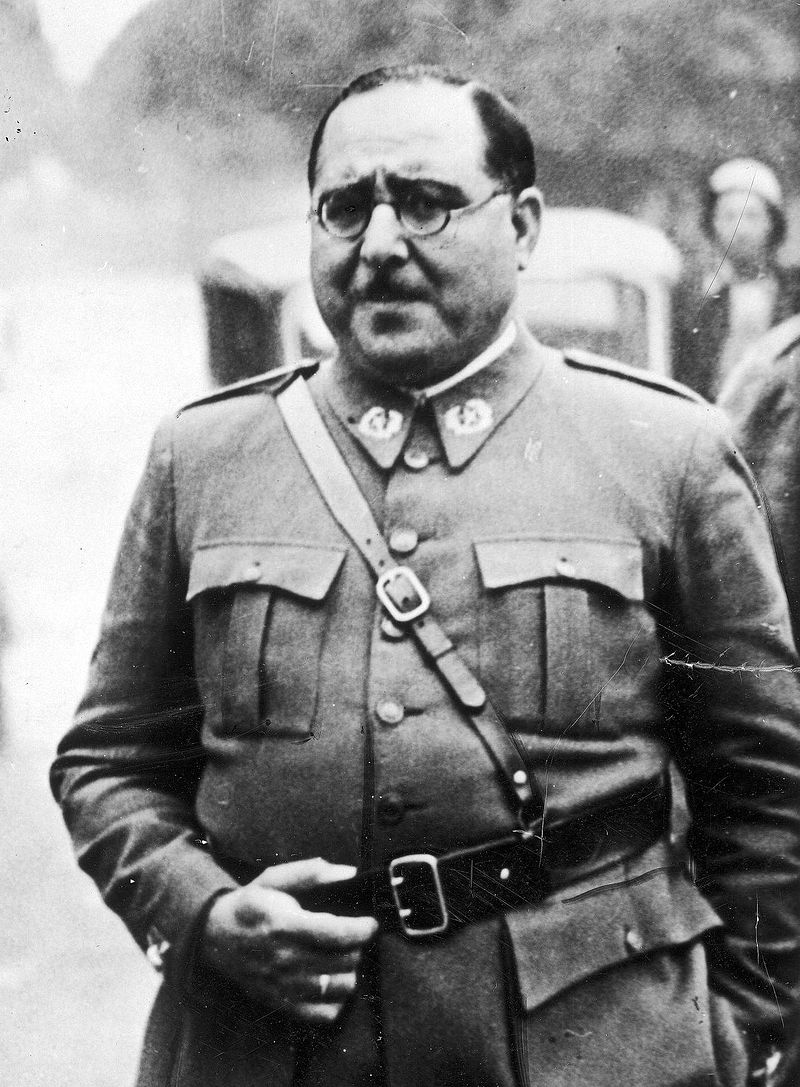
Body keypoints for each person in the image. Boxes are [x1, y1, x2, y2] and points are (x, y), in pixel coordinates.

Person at [51, 66, 800, 1087]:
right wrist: (202, 912)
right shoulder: (204, 457)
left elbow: (764, 784)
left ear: (522, 225)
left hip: (593, 1049)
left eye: (425, 201)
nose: (379, 243)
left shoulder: (668, 451)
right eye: (344, 207)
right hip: (269, 1051)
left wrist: (746, 1032)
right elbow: (108, 760)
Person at [672, 157, 800, 401]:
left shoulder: (792, 293)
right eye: (729, 217)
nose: (740, 230)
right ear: (713, 224)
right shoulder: (694, 295)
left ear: (772, 224)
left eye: (752, 216)